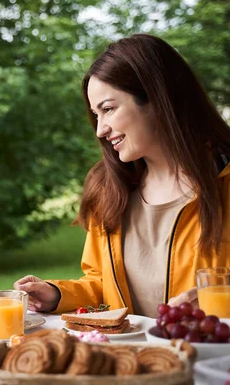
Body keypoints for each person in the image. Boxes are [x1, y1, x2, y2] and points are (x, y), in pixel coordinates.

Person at [14, 34, 230, 318]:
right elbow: (102, 283)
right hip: (130, 360)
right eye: (96, 114)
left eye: (108, 109)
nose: (100, 129)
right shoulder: (109, 190)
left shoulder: (224, 183)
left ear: (157, 98)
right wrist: (57, 294)